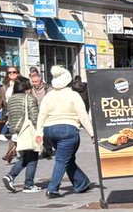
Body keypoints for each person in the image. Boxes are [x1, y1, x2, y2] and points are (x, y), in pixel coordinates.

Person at [36, 65, 94, 198]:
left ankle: (81, 182)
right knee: (62, 160)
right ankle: (52, 189)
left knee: (67, 158)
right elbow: (83, 116)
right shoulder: (73, 95)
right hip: (68, 129)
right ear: (68, 81)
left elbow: (42, 115)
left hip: (49, 130)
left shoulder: (49, 95)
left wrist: (39, 132)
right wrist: (92, 133)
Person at [2, 78, 41, 193]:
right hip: (27, 131)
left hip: (16, 132)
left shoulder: (11, 99)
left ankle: (11, 176)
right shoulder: (29, 98)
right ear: (27, 88)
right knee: (33, 157)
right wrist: (40, 131)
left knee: (26, 157)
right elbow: (35, 117)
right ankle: (28, 184)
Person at [0, 65, 23, 139]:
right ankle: (10, 134)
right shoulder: (4, 87)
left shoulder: (22, 84)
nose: (12, 73)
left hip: (20, 108)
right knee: (12, 114)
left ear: (18, 73)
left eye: (14, 72)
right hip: (8, 109)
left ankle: (5, 134)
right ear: (7, 74)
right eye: (10, 72)